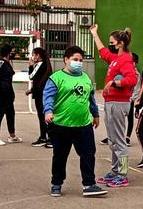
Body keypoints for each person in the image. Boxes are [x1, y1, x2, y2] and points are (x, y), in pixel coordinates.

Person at [44, 45, 106, 198]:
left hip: (83, 125)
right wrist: (48, 111)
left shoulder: (86, 78)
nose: (78, 62)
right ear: (66, 60)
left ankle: (89, 184)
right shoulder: (56, 78)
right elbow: (48, 96)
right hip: (61, 125)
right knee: (60, 155)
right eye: (75, 60)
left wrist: (95, 114)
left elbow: (91, 98)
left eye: (81, 60)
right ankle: (56, 183)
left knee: (88, 154)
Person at [90, 24, 137, 187]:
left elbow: (132, 79)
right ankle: (115, 170)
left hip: (119, 103)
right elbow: (103, 51)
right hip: (111, 102)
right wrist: (94, 34)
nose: (110, 44)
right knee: (112, 140)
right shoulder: (115, 58)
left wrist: (115, 83)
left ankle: (122, 174)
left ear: (120, 43)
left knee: (119, 141)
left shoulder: (125, 60)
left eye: (112, 42)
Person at [0, 44, 21, 146]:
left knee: (10, 114)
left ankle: (12, 135)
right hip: (1, 94)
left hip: (8, 95)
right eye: (12, 52)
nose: (13, 53)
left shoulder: (7, 63)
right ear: (8, 53)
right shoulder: (0, 63)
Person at [26, 47, 53, 147]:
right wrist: (31, 90)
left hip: (41, 95)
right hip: (42, 94)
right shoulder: (45, 65)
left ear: (38, 55)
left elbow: (31, 76)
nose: (33, 57)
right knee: (43, 116)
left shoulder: (40, 65)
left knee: (44, 116)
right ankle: (44, 137)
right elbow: (39, 81)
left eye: (34, 55)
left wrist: (30, 66)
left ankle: (49, 138)